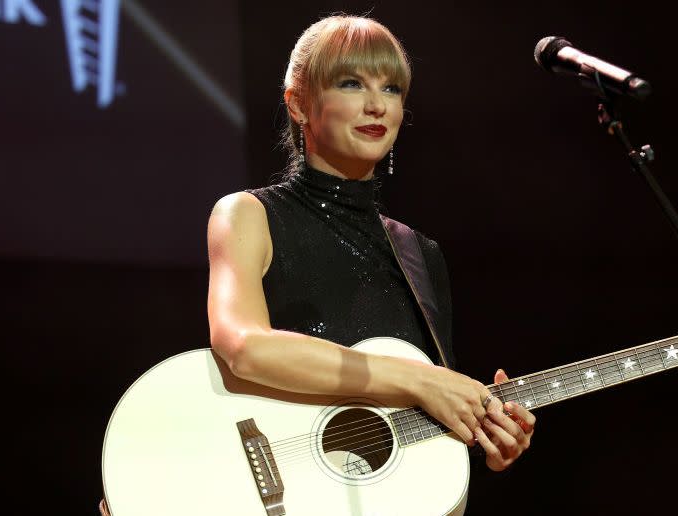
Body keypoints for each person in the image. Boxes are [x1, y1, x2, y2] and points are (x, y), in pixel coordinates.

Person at [208, 15, 535, 471]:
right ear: (299, 103)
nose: (377, 106)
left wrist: (486, 436)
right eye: (350, 83)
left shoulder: (420, 254)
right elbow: (243, 346)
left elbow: (415, 420)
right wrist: (420, 380)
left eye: (391, 89)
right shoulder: (248, 214)